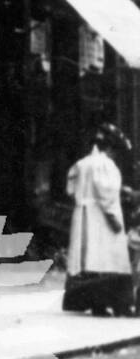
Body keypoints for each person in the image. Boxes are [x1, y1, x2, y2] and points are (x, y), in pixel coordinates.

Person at [63, 124, 133, 316]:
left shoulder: (82, 163)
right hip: (100, 219)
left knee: (89, 262)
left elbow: (70, 189)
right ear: (110, 149)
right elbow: (106, 193)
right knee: (108, 260)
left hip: (83, 215)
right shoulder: (105, 165)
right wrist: (112, 215)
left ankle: (96, 304)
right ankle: (117, 303)